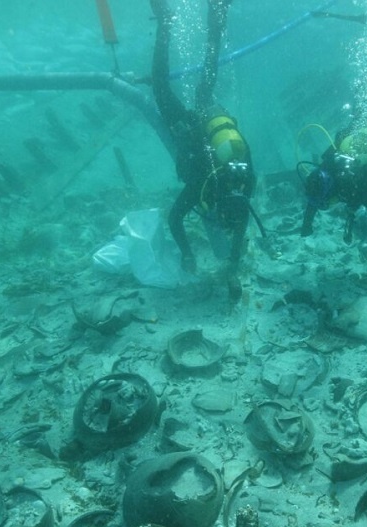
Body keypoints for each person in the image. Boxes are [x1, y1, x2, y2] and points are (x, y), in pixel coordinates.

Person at [150, 0, 256, 301]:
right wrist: (190, 254)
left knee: (206, 79)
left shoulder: (242, 184)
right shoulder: (204, 187)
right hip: (191, 128)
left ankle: (216, 16)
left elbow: (176, 219)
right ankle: (166, 22)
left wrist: (197, 255)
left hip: (209, 120)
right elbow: (175, 218)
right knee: (160, 86)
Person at [300, 127, 367, 288]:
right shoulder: (327, 169)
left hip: (365, 185)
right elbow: (314, 199)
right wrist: (307, 223)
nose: (325, 204)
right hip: (355, 184)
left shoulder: (366, 181)